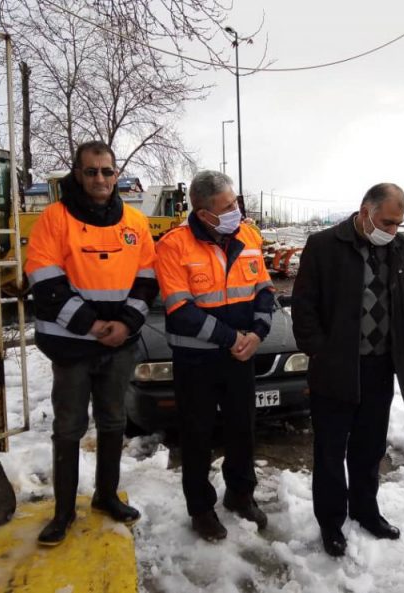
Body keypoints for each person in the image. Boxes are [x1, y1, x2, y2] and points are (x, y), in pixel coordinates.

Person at [26, 141, 158, 546]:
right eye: (91, 171)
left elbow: (148, 279)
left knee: (114, 422)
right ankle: (64, 512)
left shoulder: (136, 222)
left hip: (119, 345)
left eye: (107, 171)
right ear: (78, 175)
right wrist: (95, 324)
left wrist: (126, 323)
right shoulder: (54, 219)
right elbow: (44, 279)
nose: (100, 178)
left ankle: (105, 496)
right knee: (68, 427)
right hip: (71, 347)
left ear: (117, 175)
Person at [291, 183, 404, 557]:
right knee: (331, 451)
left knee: (369, 448)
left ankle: (367, 511)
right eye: (387, 222)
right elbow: (304, 306)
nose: (392, 230)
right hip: (336, 369)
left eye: (398, 223)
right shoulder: (324, 245)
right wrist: (321, 352)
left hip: (380, 367)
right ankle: (331, 522)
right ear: (365, 211)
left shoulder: (403, 249)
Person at [155, 170, 275, 542]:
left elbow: (264, 290)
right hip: (196, 364)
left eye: (235, 202)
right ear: (204, 213)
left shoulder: (249, 235)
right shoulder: (173, 245)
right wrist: (231, 338)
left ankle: (241, 495)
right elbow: (180, 310)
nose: (236, 210)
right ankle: (201, 509)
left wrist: (257, 334)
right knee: (196, 436)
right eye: (227, 206)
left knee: (243, 429)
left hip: (241, 357)